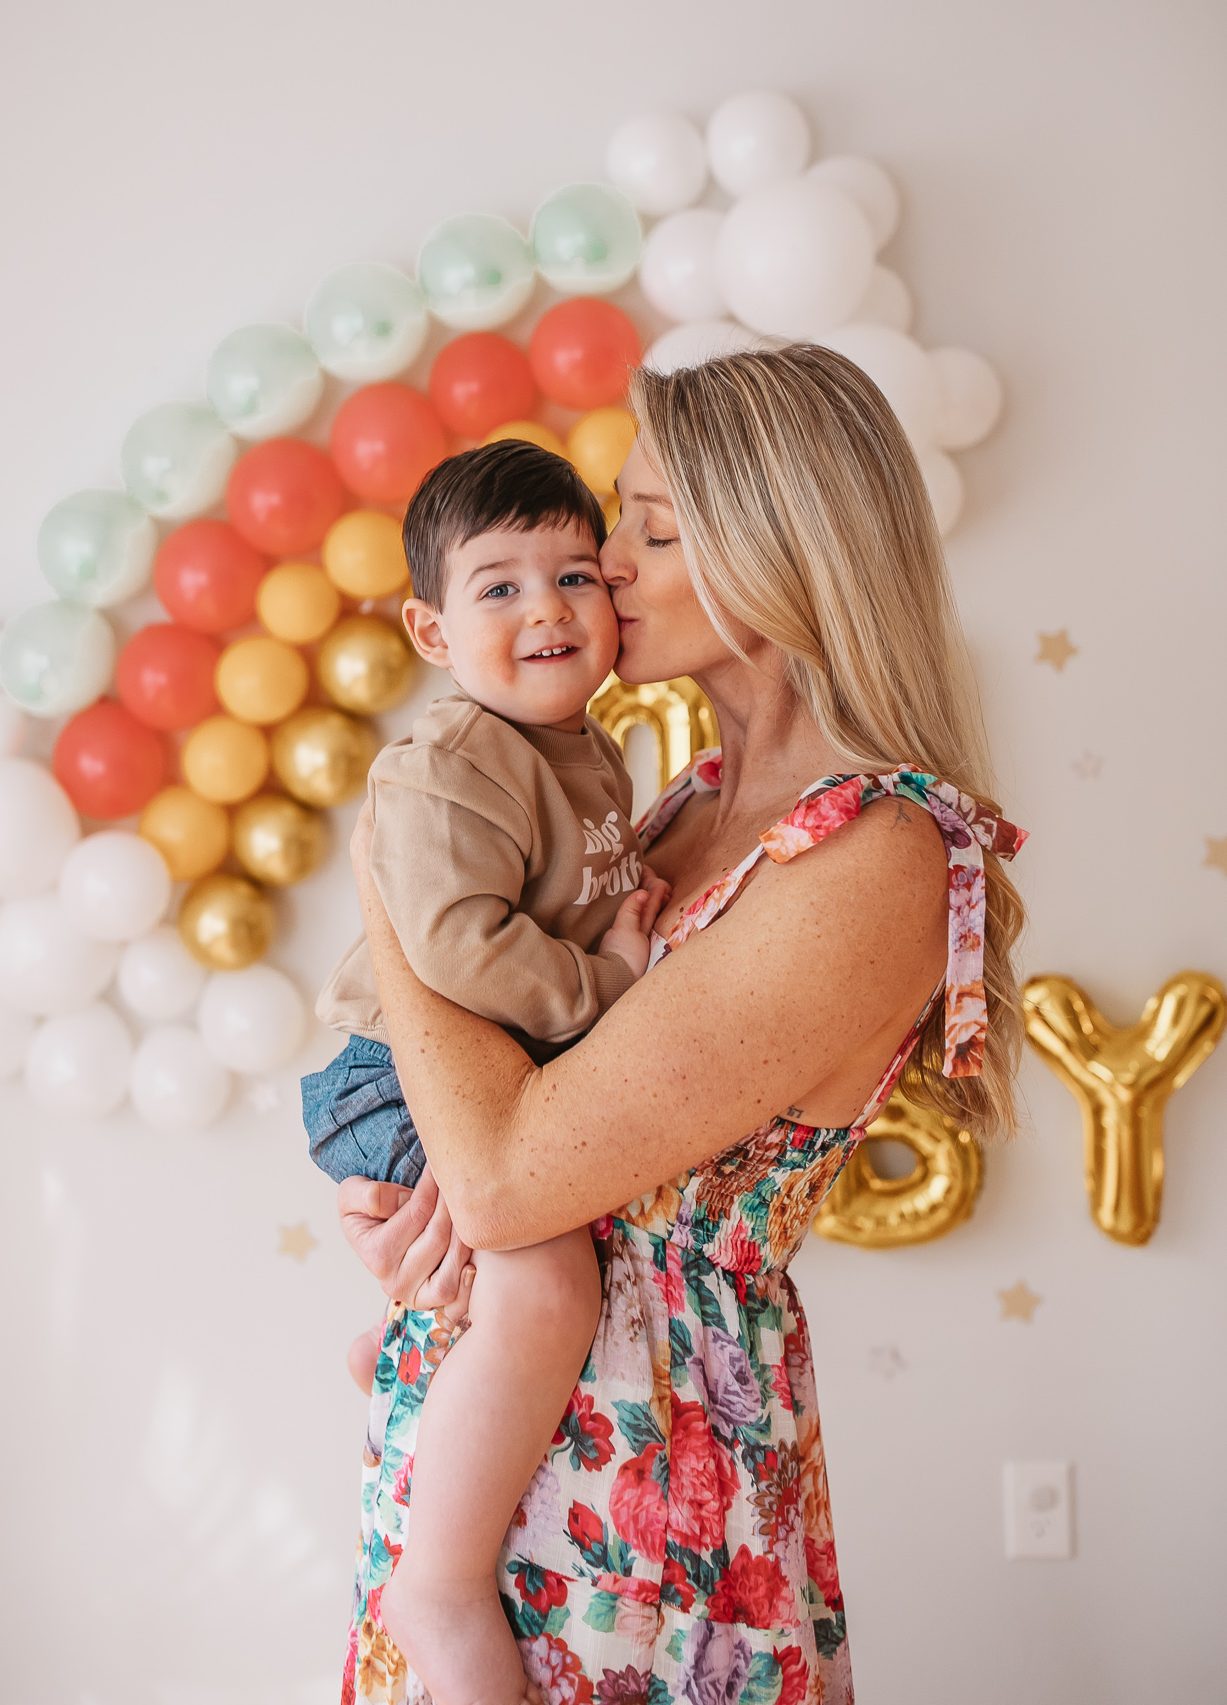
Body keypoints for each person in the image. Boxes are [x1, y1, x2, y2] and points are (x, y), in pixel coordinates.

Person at [337, 345, 1027, 1705]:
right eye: (615, 528)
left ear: (781, 553)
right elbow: (498, 1132)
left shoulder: (868, 848)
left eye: (649, 533)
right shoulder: (677, 801)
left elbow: (512, 1167)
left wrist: (385, 861)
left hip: (641, 1473)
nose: (600, 571)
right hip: (499, 1438)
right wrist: (423, 1213)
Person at [302, 441, 672, 1703]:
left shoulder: (588, 745)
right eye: (500, 587)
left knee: (523, 1261)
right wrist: (611, 983)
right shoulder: (453, 759)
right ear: (431, 627)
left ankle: (416, 1349)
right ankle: (443, 1580)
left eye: (575, 572)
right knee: (549, 1277)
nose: (549, 608)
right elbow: (459, 947)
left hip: (473, 1061)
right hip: (391, 1072)